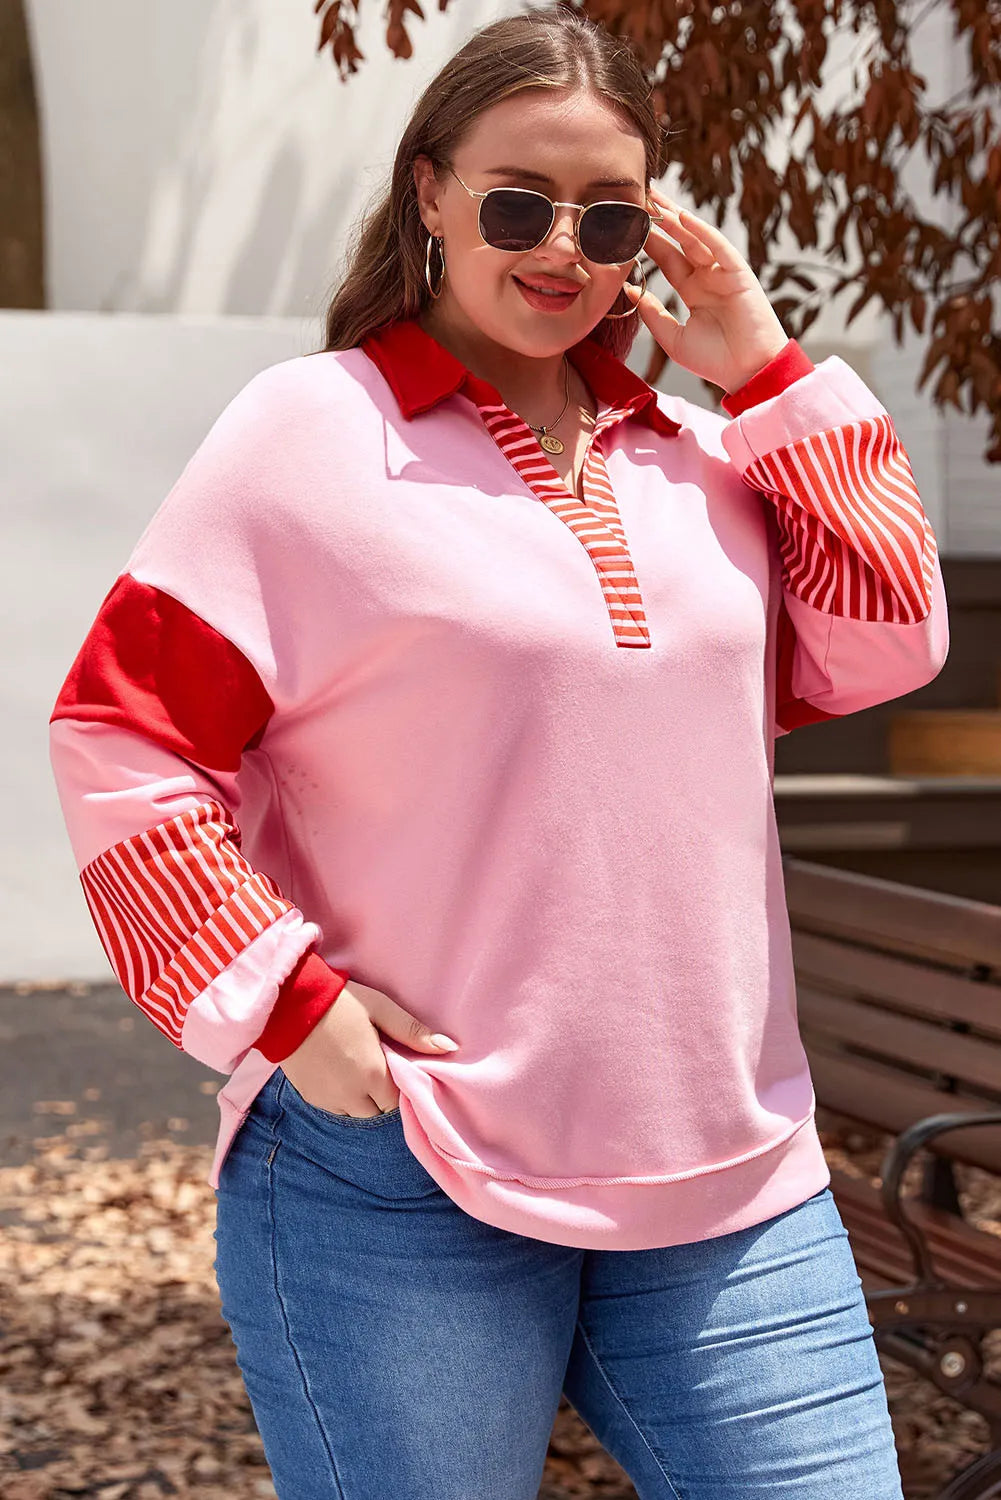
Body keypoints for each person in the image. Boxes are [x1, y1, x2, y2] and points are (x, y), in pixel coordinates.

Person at [49, 7, 948, 1497]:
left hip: (731, 1174)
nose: (562, 249)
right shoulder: (310, 434)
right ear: (429, 192)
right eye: (517, 204)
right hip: (406, 1164)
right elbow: (120, 733)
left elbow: (888, 639)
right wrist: (286, 1006)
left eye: (610, 216)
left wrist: (763, 367)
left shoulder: (705, 465)